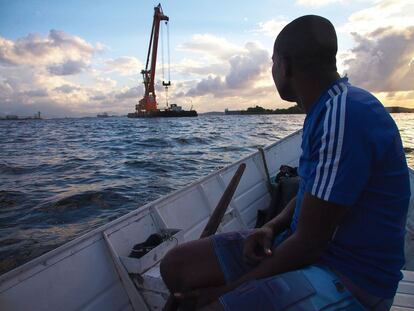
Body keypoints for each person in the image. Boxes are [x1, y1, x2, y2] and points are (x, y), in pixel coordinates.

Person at [160, 15, 411, 311]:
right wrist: (272, 227)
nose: (272, 69)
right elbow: (312, 192)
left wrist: (225, 292)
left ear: (286, 65)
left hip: (351, 277)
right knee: (177, 266)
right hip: (303, 247)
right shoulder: (325, 109)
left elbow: (309, 244)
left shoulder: (343, 114)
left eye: (272, 62)